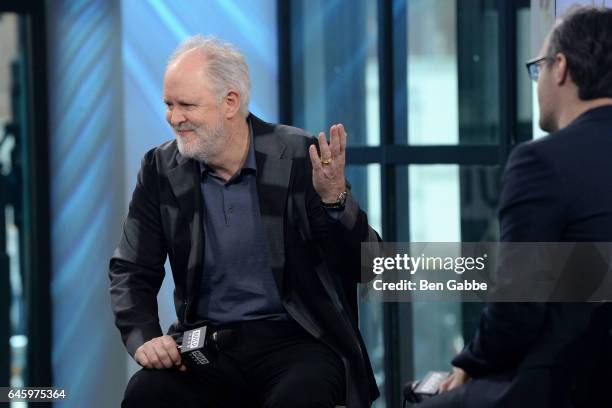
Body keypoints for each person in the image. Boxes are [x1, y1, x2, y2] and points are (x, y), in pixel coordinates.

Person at [109, 35, 381, 408]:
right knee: (146, 394)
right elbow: (131, 268)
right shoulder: (161, 170)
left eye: (186, 105)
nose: (174, 118)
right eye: (169, 105)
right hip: (207, 345)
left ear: (230, 103)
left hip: (299, 340)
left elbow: (368, 264)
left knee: (299, 397)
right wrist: (145, 339)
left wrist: (336, 199)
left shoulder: (301, 156)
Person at [417, 6, 612, 408]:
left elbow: (517, 310)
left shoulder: (541, 162)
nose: (537, 83)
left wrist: (468, 363)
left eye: (537, 68)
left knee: (426, 399)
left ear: (560, 68)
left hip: (569, 383)